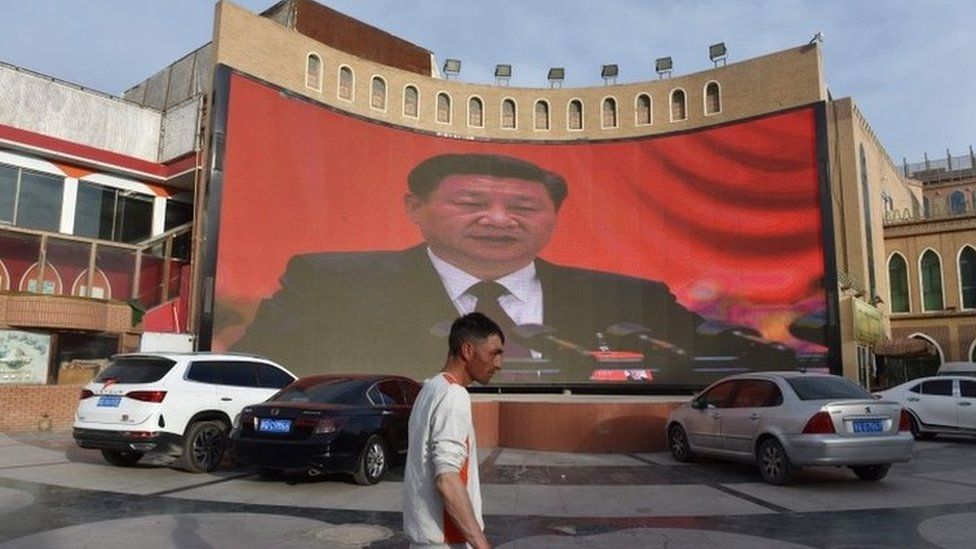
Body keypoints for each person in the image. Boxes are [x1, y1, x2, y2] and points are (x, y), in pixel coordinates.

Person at [232, 153, 794, 381]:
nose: (498, 220)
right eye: (472, 203)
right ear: (414, 208)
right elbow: (262, 370)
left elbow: (729, 356)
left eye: (523, 207)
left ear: (554, 216)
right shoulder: (328, 282)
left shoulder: (634, 296)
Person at [402, 312, 501, 549]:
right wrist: (481, 544)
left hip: (426, 537)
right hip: (447, 539)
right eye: (494, 353)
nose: (498, 364)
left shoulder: (430, 388)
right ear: (468, 350)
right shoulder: (453, 394)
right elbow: (447, 478)